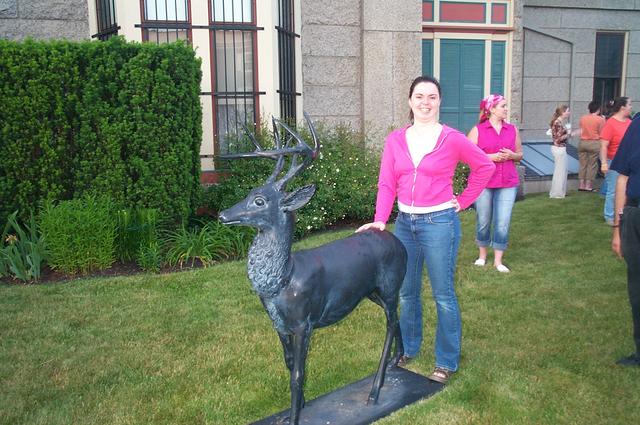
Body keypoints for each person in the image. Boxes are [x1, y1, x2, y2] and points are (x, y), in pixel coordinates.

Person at [356, 76, 495, 384]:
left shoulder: (452, 138)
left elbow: (485, 166)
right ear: (410, 101)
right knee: (407, 292)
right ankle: (409, 348)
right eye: (419, 96)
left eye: (432, 97)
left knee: (443, 295)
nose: (425, 102)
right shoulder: (395, 140)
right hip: (405, 225)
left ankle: (446, 361)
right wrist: (380, 219)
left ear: (439, 101)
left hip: (439, 224)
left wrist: (463, 200)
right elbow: (387, 183)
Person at [467, 94, 523, 273]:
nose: (506, 109)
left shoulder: (512, 130)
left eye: (506, 106)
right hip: (484, 182)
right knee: (483, 220)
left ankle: (498, 261)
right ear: (491, 109)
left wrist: (512, 156)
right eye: (503, 106)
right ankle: (482, 256)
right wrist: (490, 157)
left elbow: (520, 154)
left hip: (507, 182)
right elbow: (467, 155)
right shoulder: (478, 130)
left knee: (502, 222)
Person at [609, 112, 640, 367]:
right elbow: (623, 178)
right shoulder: (637, 124)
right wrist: (618, 228)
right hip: (634, 215)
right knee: (637, 290)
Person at [600, 97, 633, 225]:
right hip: (613, 161)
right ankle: (609, 215)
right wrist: (604, 163)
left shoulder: (630, 123)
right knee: (613, 190)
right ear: (622, 107)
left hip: (628, 162)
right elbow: (603, 145)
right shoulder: (611, 123)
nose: (631, 107)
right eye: (629, 104)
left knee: (627, 190)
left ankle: (623, 213)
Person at [578, 101, 605, 192]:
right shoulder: (600, 119)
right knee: (592, 165)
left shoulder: (583, 118)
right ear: (598, 109)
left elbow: (581, 129)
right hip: (594, 142)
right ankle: (588, 186)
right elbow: (602, 132)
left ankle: (581, 185)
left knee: (583, 164)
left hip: (583, 142)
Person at [549, 105, 571, 198]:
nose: (569, 113)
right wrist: (569, 133)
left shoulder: (559, 122)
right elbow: (558, 139)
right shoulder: (558, 123)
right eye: (567, 111)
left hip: (560, 148)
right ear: (562, 112)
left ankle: (560, 191)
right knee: (560, 171)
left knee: (562, 171)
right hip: (559, 148)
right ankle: (557, 193)